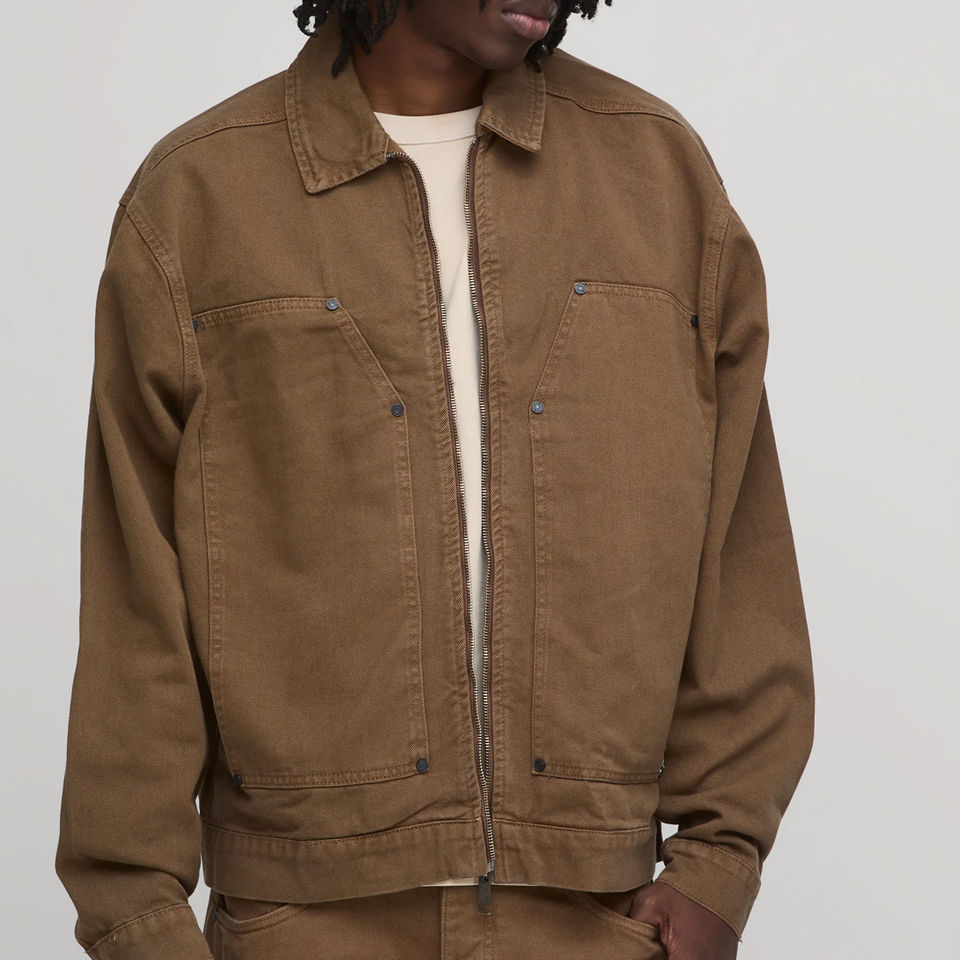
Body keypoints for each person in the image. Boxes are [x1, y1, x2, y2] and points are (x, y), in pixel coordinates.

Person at [54, 1, 815, 958]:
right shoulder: (201, 195)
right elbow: (136, 596)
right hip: (303, 923)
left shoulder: (655, 174)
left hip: (598, 920)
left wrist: (716, 869)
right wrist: (140, 925)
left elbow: (738, 544)